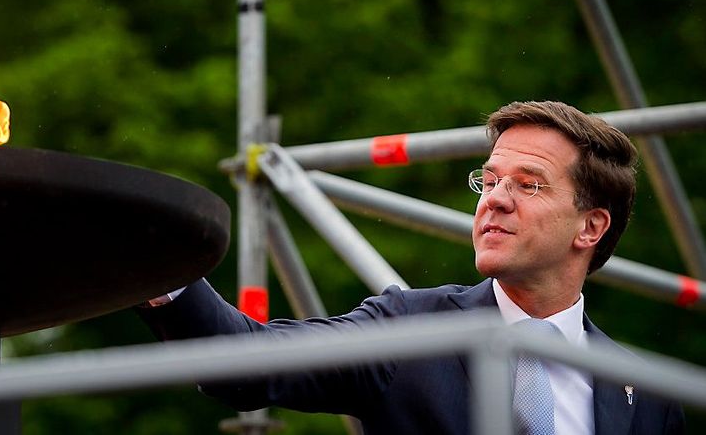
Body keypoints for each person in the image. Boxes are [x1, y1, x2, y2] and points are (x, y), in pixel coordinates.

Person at [138, 100, 685, 434]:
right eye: (490, 180)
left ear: (590, 227)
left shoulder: (649, 396)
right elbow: (247, 363)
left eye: (527, 185)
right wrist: (156, 267)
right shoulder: (408, 330)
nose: (494, 199)